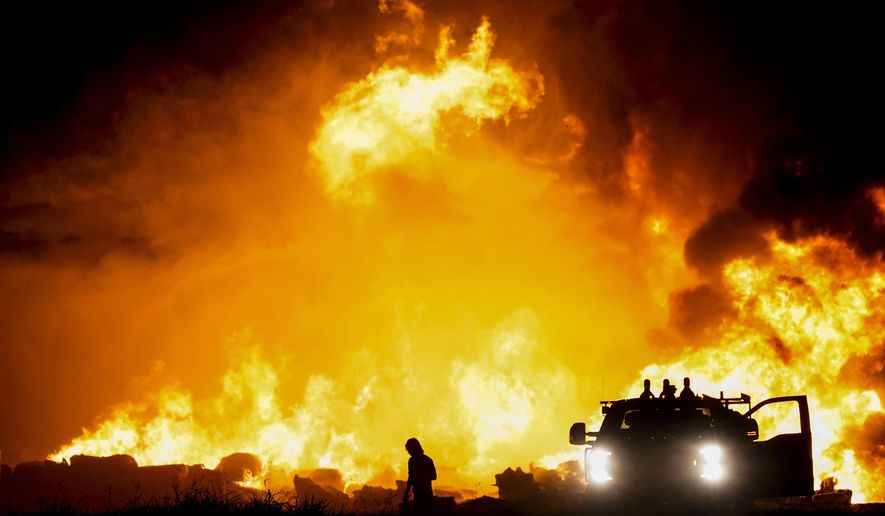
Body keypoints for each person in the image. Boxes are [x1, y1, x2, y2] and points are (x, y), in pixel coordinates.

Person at [403, 437, 436, 512]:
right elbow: (410, 477)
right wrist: (406, 492)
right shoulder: (411, 461)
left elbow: (434, 476)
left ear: (414, 448)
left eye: (409, 449)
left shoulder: (427, 460)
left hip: (426, 494)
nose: (409, 452)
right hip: (417, 494)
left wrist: (421, 477)